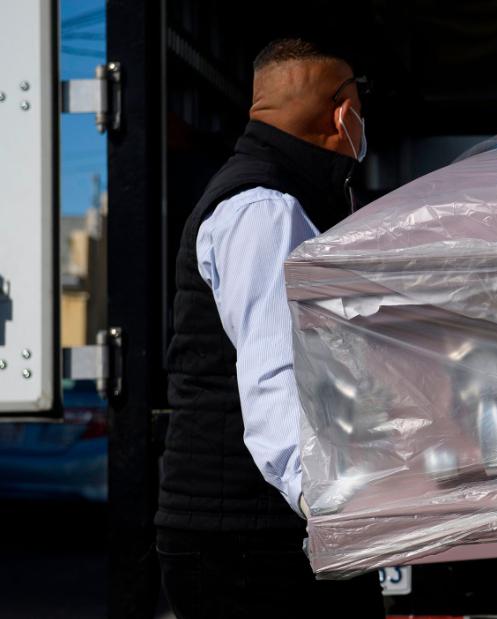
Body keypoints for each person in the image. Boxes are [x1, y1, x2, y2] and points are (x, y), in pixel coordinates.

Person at [156, 38, 382, 618]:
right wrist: (323, 504)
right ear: (342, 112)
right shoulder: (264, 208)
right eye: (361, 97)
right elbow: (276, 371)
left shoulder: (287, 194)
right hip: (253, 541)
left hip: (248, 533)